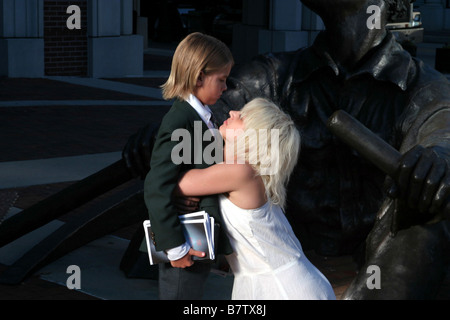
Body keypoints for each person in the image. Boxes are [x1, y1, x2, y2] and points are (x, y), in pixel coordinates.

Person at [210, 0, 450, 299]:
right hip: (291, 259)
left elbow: (442, 131)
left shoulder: (422, 87)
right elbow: (207, 115)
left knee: (434, 199)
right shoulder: (273, 76)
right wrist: (172, 138)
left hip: (377, 267)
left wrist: (438, 161)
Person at [175, 97, 336, 300]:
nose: (232, 113)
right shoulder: (247, 171)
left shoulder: (243, 172)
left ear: (253, 136)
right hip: (267, 281)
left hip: (285, 287)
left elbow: (176, 182)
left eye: (242, 116)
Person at [142, 32, 234, 300]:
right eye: (222, 79)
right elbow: (156, 185)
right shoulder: (180, 119)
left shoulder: (201, 115)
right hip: (185, 239)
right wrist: (175, 248)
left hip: (200, 235)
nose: (225, 87)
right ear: (198, 77)